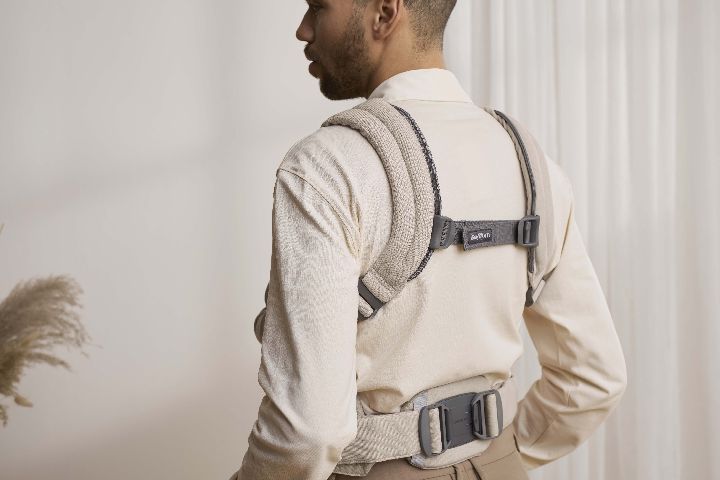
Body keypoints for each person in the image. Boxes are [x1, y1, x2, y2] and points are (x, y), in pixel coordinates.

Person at [228, 0, 627, 479]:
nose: (303, 29)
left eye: (318, 7)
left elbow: (307, 433)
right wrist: (502, 457)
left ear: (384, 12)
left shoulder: (328, 167)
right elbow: (594, 378)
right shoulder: (530, 166)